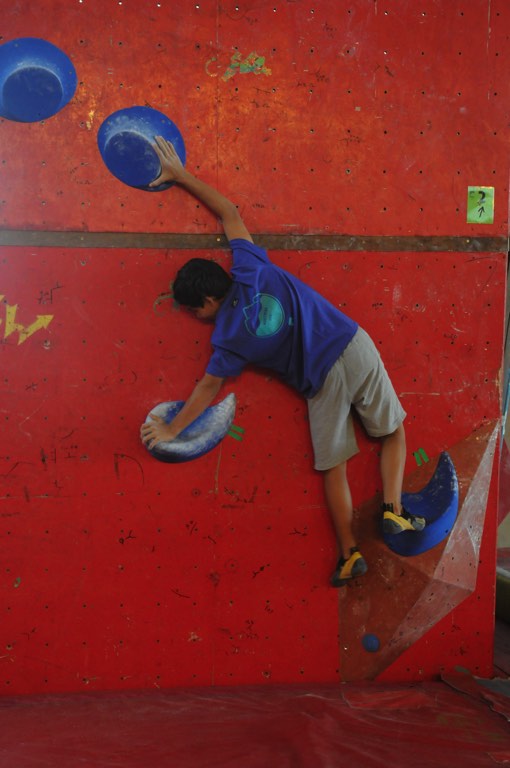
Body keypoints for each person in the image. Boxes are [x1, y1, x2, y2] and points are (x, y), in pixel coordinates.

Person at [140, 137, 425, 587]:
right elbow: (228, 212)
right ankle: (394, 508)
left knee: (334, 467)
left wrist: (173, 430)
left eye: (194, 309)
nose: (195, 316)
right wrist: (182, 176)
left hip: (321, 382)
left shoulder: (228, 340)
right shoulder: (250, 267)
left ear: (209, 301)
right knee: (393, 432)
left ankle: (349, 553)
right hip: (352, 345)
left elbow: (208, 388)